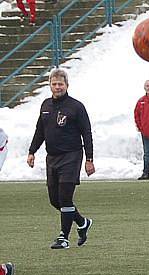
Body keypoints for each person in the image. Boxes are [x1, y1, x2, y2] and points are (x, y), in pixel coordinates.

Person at [27, 68, 95, 250]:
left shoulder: (76, 107)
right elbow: (40, 131)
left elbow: (86, 133)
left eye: (60, 84)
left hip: (72, 156)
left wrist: (89, 158)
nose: (57, 87)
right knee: (54, 200)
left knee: (65, 197)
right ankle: (82, 222)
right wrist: (32, 151)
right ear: (50, 85)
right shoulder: (45, 106)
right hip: (52, 158)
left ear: (67, 85)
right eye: (54, 84)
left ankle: (63, 238)